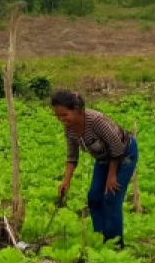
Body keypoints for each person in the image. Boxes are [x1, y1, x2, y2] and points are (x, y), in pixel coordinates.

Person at [50, 89, 138, 247]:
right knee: (94, 198)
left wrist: (112, 177)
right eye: (57, 116)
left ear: (77, 110)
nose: (61, 119)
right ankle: (100, 237)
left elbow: (116, 147)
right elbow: (72, 156)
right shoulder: (69, 128)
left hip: (124, 155)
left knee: (111, 198)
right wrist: (66, 181)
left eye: (64, 115)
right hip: (103, 158)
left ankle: (115, 244)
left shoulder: (96, 121)